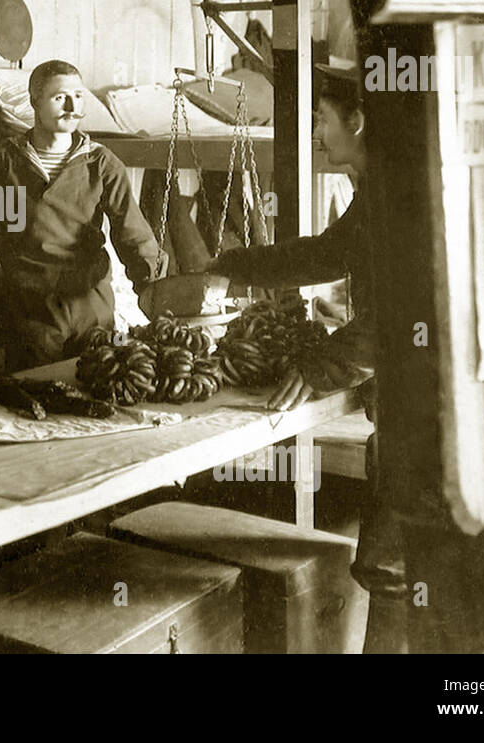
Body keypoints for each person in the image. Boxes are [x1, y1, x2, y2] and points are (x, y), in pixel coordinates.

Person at [194, 63, 406, 652]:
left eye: (320, 120)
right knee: (399, 573)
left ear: (357, 121)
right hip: (411, 415)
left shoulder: (398, 196)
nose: (314, 133)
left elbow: (395, 320)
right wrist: (233, 267)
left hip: (429, 417)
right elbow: (326, 253)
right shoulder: (380, 191)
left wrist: (318, 368)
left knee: (393, 574)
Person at [0, 59, 163, 372]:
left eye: (78, 96)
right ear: (34, 101)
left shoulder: (101, 163)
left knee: (99, 393)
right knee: (36, 402)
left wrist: (153, 285)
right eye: (60, 98)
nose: (72, 106)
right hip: (31, 315)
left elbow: (134, 234)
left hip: (92, 309)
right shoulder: (4, 162)